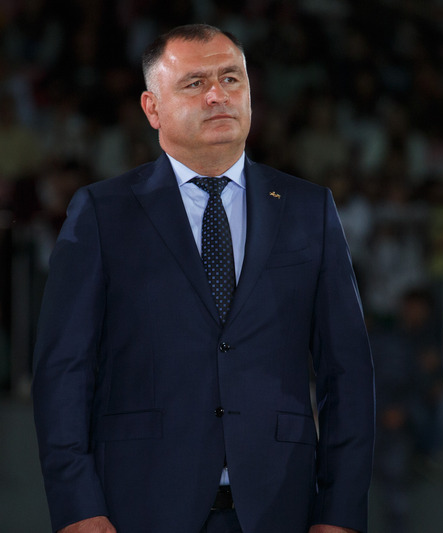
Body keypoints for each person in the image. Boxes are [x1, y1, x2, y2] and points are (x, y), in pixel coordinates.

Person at [31, 24, 374, 533]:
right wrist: (77, 506)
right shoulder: (103, 212)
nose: (217, 95)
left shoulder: (308, 208)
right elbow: (63, 370)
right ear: (152, 108)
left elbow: (347, 373)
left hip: (281, 506)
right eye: (194, 83)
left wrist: (340, 512)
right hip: (137, 505)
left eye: (231, 78)